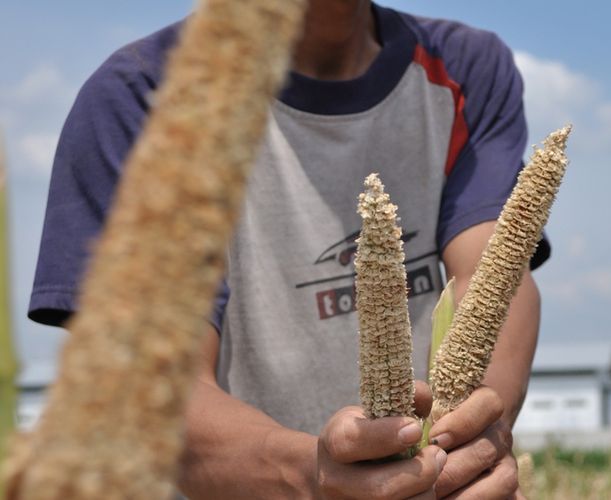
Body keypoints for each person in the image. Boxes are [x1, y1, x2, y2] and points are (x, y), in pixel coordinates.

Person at [30, 1, 549, 498]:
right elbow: (152, 387)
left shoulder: (464, 71)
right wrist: (308, 478)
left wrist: (467, 445)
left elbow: (494, 279)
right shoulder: (142, 96)